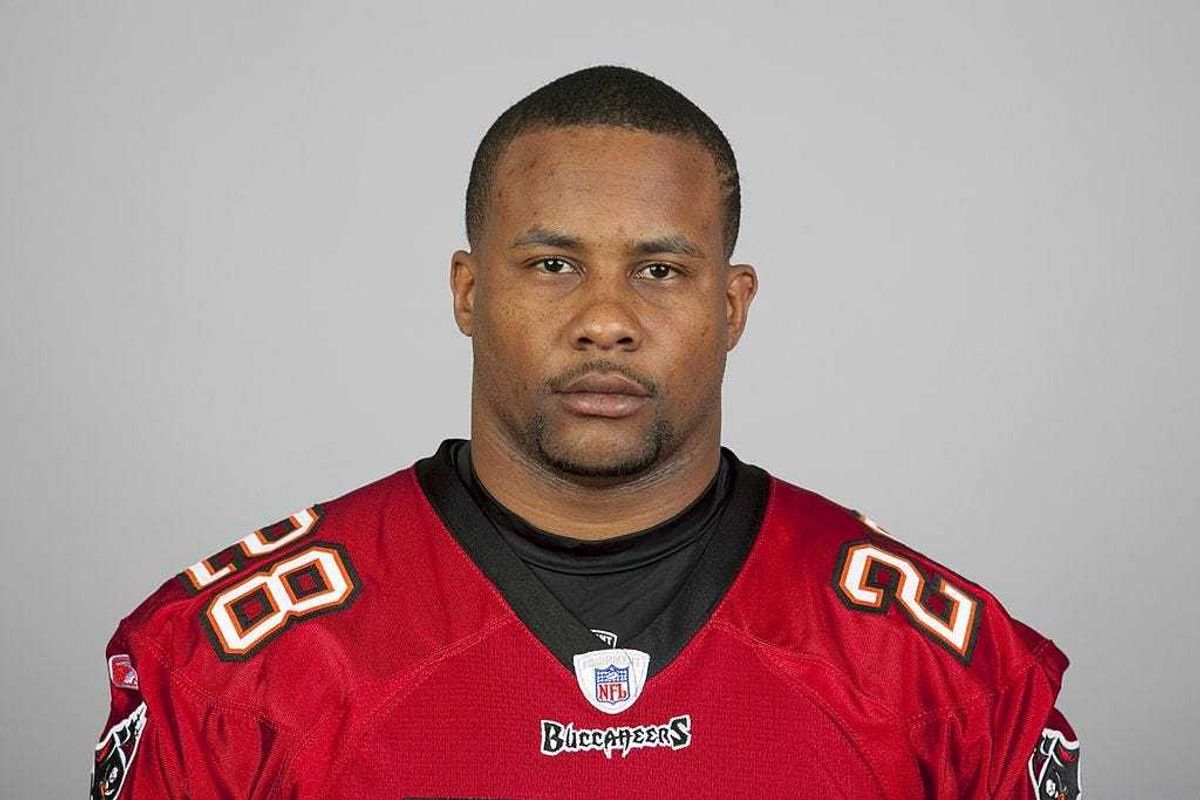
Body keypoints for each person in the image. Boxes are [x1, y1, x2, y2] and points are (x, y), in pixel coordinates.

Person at [90, 65, 1080, 799]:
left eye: (659, 269)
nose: (605, 319)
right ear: (469, 291)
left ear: (732, 306)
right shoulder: (224, 664)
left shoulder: (944, 670)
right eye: (554, 265)